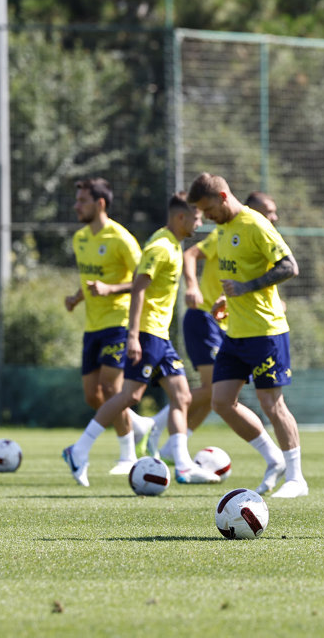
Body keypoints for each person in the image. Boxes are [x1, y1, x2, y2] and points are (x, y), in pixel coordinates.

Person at [62, 192, 219, 486]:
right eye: (196, 217)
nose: (200, 222)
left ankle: (183, 466)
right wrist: (133, 336)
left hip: (160, 335)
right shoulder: (160, 247)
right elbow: (138, 289)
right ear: (181, 217)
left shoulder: (173, 244)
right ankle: (78, 450)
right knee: (129, 396)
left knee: (182, 397)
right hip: (147, 334)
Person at [187, 173, 307, 498]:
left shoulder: (255, 225)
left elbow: (289, 266)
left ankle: (296, 477)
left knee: (272, 403)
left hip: (266, 330)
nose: (206, 217)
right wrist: (229, 297)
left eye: (208, 209)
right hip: (235, 333)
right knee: (221, 402)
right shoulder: (223, 229)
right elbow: (240, 272)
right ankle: (273, 459)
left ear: (224, 197)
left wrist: (245, 288)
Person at [145, 191, 283, 456]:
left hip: (227, 324)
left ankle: (174, 448)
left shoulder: (260, 239)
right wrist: (193, 286)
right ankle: (155, 424)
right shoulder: (229, 233)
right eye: (268, 211)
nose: (273, 217)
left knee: (216, 394)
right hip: (204, 317)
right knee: (213, 390)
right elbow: (190, 255)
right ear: (252, 211)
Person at [64, 177, 155, 475]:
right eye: (77, 200)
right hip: (92, 326)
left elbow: (144, 281)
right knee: (93, 395)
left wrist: (110, 289)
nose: (76, 206)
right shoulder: (80, 239)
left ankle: (128, 455)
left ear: (100, 203)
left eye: (82, 201)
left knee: (111, 388)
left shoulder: (121, 239)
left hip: (118, 323)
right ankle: (139, 424)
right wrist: (77, 298)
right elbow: (87, 281)